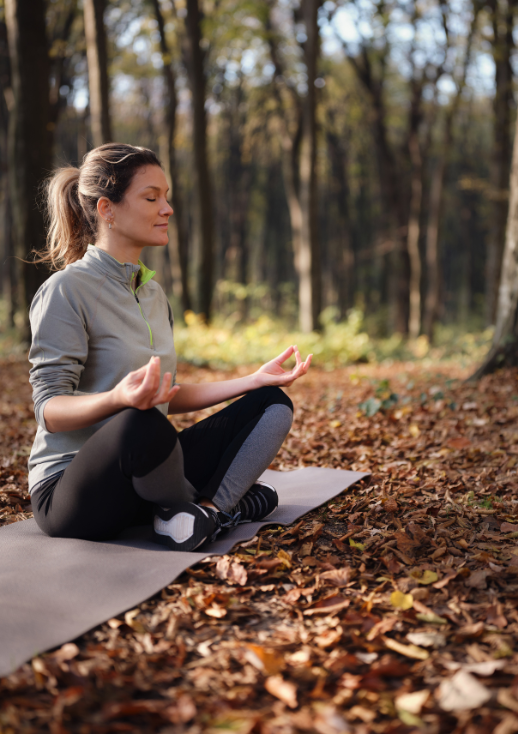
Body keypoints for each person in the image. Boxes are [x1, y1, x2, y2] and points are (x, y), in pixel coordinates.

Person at [27, 143, 311, 551]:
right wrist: (118, 398)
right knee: (138, 422)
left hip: (145, 467)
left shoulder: (153, 294)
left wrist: (251, 380)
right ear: (107, 209)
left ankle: (207, 513)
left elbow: (167, 396)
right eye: (151, 197)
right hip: (72, 493)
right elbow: (49, 411)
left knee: (270, 403)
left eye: (167, 197)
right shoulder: (66, 290)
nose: (167, 209)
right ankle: (204, 508)